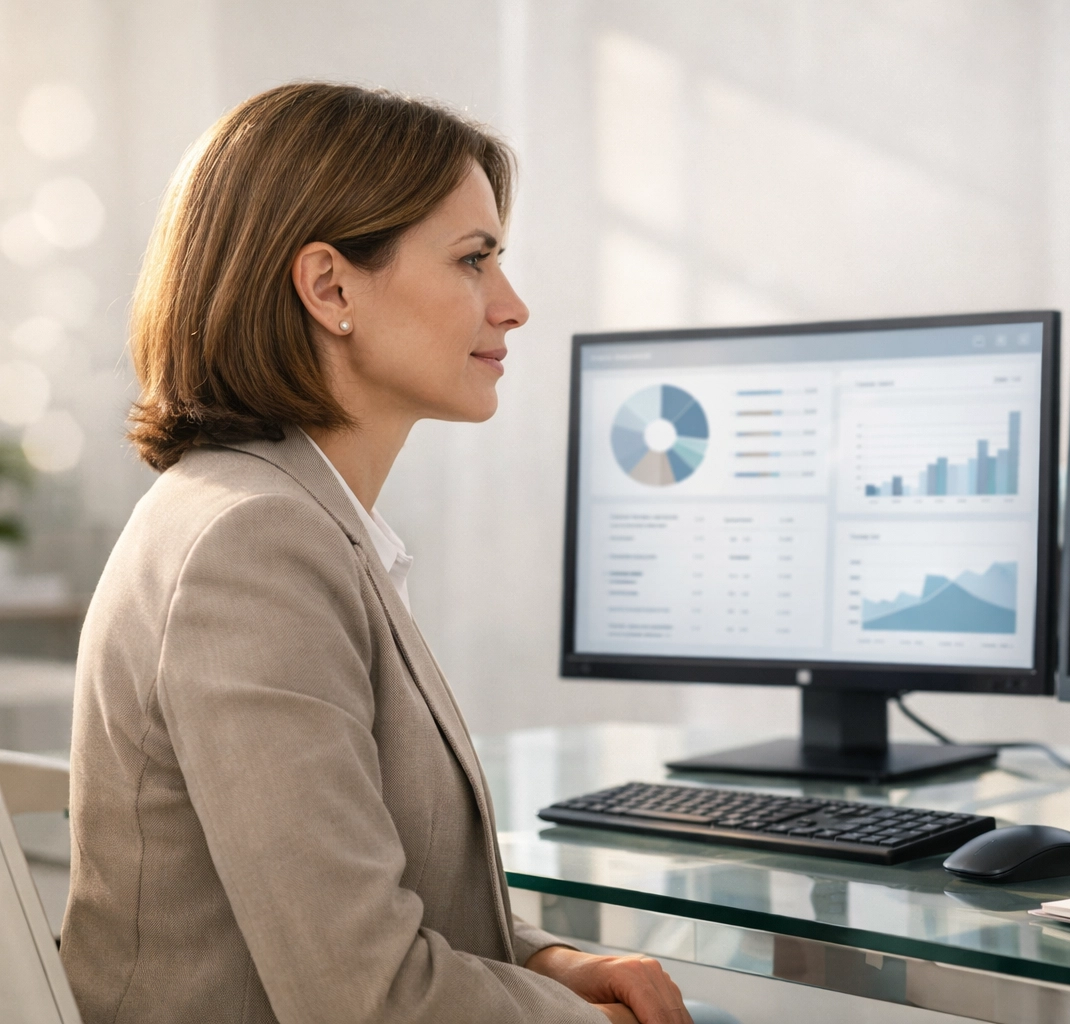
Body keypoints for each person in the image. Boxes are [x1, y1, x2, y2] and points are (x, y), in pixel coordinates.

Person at [60, 82, 691, 1024]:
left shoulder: (277, 515)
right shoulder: (253, 547)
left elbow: (342, 880)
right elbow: (362, 993)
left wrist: (547, 962)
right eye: (474, 260)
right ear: (330, 287)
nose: (512, 307)